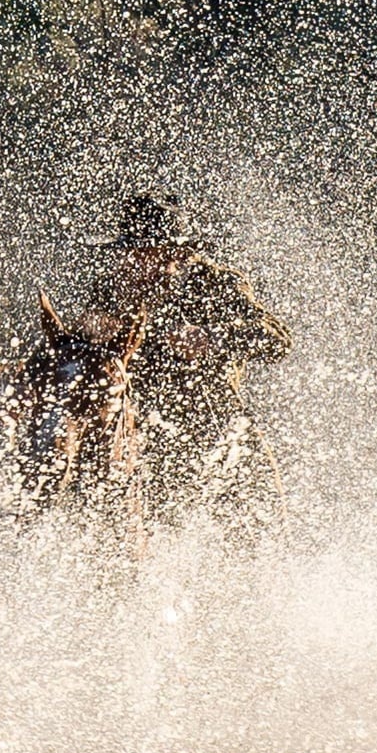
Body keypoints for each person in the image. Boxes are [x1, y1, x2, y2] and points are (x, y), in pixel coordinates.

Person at [70, 191, 290, 521]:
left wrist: (213, 337)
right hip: (137, 433)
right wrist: (86, 333)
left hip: (215, 430)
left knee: (259, 519)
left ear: (177, 254)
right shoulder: (111, 288)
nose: (135, 263)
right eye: (131, 252)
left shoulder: (215, 284)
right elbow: (79, 359)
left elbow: (276, 339)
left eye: (146, 252)